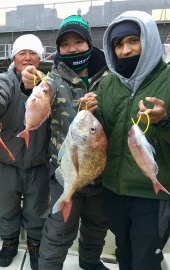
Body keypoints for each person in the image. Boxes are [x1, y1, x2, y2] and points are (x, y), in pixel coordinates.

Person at [80, 10, 170, 270]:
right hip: (113, 191)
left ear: (149, 39)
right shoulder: (108, 85)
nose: (125, 50)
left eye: (133, 41)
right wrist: (89, 116)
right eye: (118, 44)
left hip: (153, 194)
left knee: (146, 259)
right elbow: (104, 137)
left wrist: (164, 121)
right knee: (124, 252)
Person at [21, 15, 110, 270]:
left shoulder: (109, 78)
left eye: (78, 42)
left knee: (97, 225)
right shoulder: (52, 79)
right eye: (65, 44)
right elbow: (35, 90)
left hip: (98, 171)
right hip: (64, 170)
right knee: (59, 228)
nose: (71, 49)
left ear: (89, 43)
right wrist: (28, 82)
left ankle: (90, 261)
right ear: (58, 49)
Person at [0, 34, 51, 270]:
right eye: (22, 53)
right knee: (5, 208)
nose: (28, 57)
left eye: (33, 53)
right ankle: (9, 243)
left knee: (36, 209)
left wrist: (34, 88)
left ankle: (34, 245)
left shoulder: (48, 84)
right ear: (14, 57)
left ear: (40, 57)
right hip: (6, 163)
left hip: (39, 162)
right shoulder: (4, 80)